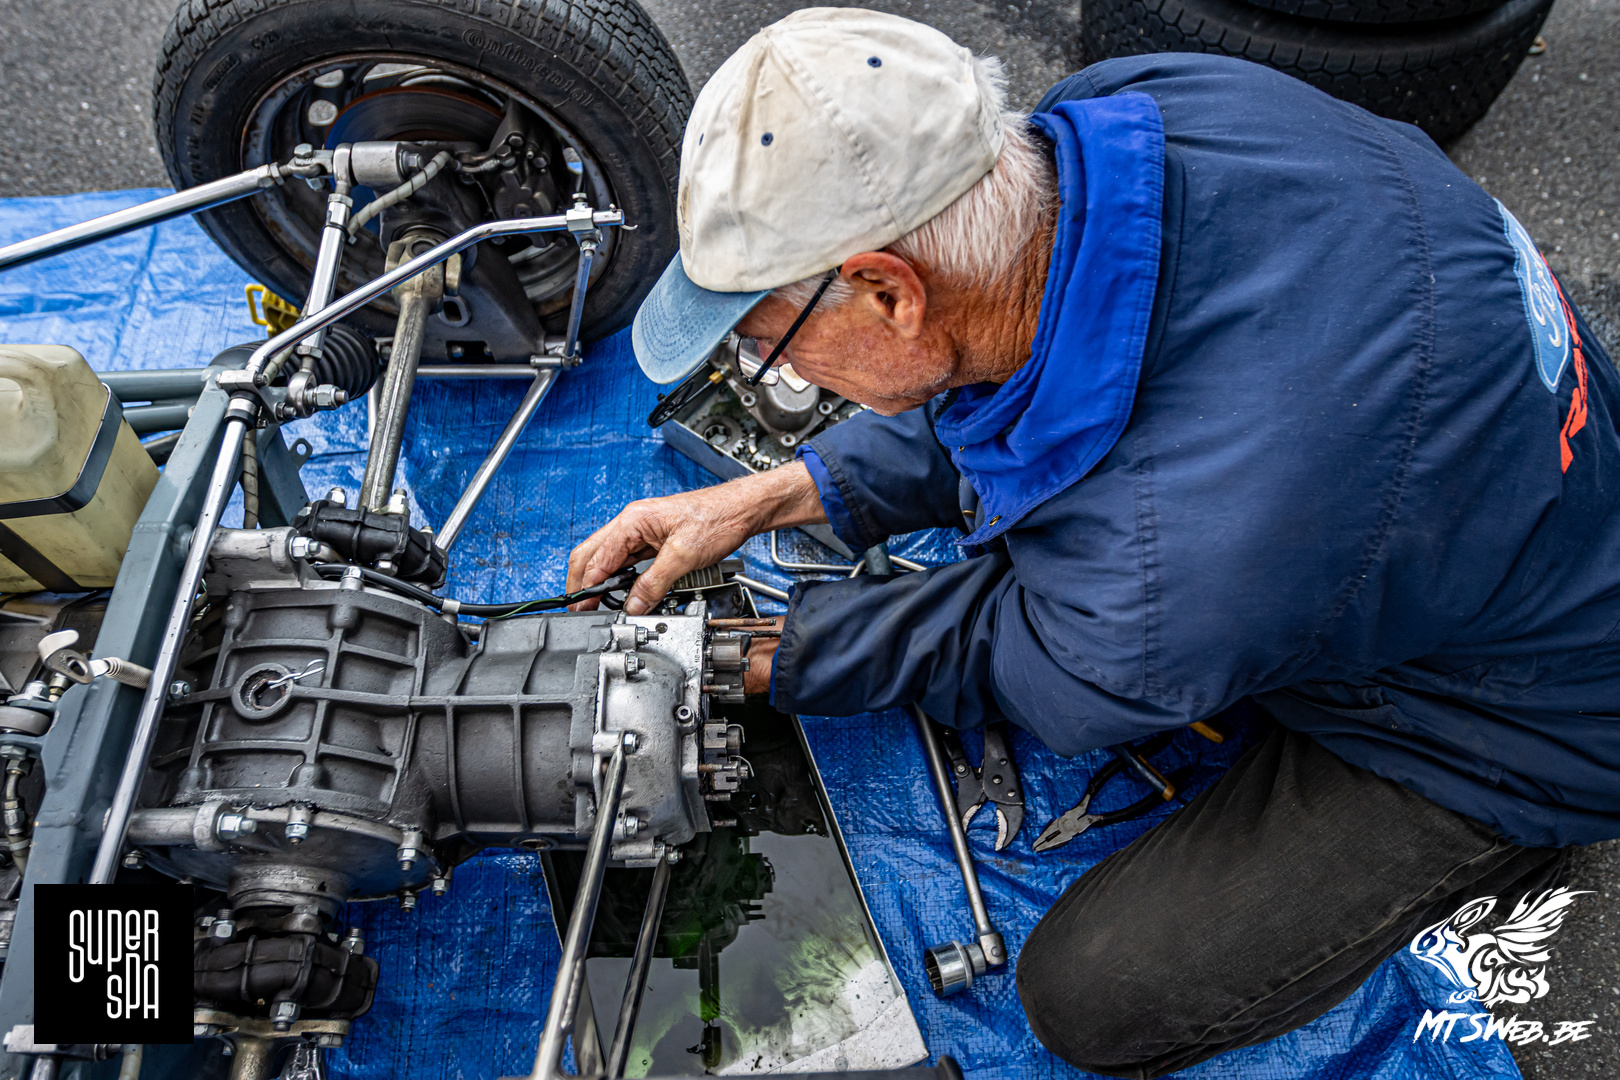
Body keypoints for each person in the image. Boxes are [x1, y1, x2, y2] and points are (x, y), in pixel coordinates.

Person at [566, 8, 1620, 1076]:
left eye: (769, 346)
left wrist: (749, 656)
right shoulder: (1141, 108)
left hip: (1529, 714)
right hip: (1488, 487)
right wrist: (767, 499)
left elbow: (1005, 648)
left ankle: (1513, 836)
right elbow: (1006, 377)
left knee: (1094, 994)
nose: (780, 375)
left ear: (889, 290)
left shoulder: (1181, 564)